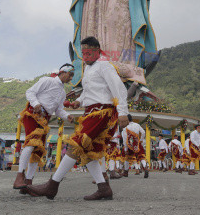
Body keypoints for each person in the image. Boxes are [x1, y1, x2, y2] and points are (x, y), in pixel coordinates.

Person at [26, 36, 129, 201]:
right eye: (83, 53)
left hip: (102, 111)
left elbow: (119, 88)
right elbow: (88, 92)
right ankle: (103, 188)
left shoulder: (105, 66)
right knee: (88, 151)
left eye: (89, 53)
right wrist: (78, 101)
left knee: (76, 145)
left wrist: (123, 111)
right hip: (90, 111)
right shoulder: (87, 70)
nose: (85, 57)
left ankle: (52, 185)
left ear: (97, 51)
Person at [13, 64, 75, 193]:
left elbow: (58, 110)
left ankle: (28, 183)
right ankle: (19, 177)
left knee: (38, 150)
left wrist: (67, 116)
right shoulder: (48, 80)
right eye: (70, 74)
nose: (71, 78)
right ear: (62, 72)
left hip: (45, 119)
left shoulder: (63, 93)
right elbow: (30, 92)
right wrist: (36, 104)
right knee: (30, 144)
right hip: (33, 114)